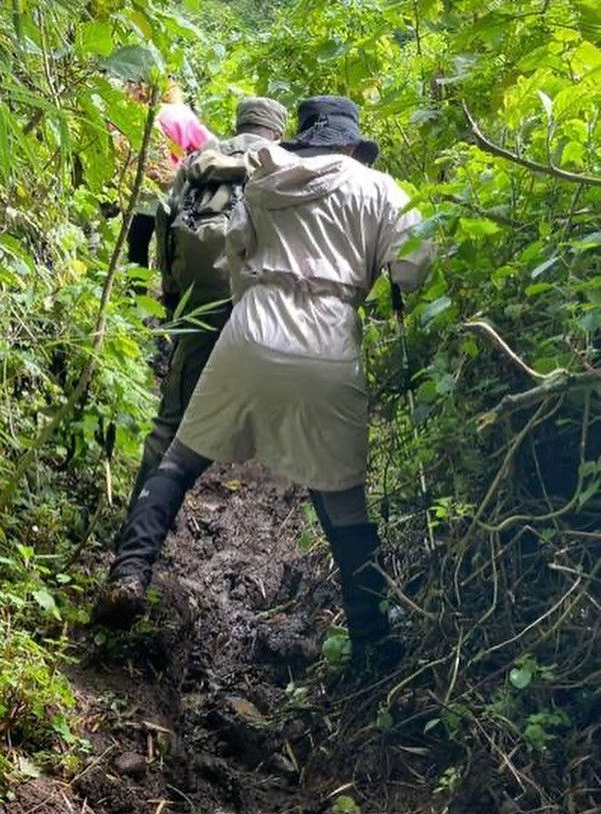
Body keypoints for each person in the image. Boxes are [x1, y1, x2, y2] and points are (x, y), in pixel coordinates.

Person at [96, 96, 434, 670]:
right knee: (340, 494)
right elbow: (414, 266)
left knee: (179, 460)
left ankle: (130, 571)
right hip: (329, 343)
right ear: (351, 144)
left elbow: (233, 253)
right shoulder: (380, 189)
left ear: (304, 137)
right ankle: (374, 641)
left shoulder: (266, 175)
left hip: (251, 328)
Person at [99, 97, 288, 597]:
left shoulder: (201, 161)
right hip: (264, 309)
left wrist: (169, 300)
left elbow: (161, 222)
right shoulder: (282, 164)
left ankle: (130, 560)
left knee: (170, 425)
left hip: (200, 304)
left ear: (240, 125)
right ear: (277, 131)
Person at [126, 82, 214, 271]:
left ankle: (135, 295)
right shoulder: (181, 114)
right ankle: (170, 292)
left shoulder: (134, 113)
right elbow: (209, 147)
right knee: (172, 247)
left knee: (137, 245)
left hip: (144, 193)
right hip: (177, 192)